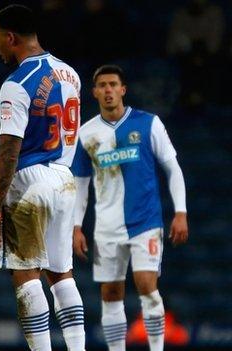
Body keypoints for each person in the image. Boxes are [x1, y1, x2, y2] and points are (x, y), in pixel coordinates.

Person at [0, 5, 85, 351]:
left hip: (30, 179)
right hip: (64, 177)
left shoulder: (16, 84)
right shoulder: (70, 74)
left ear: (10, 37)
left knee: (26, 276)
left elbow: (8, 150)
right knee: (61, 275)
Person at [72, 65, 188, 351]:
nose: (108, 90)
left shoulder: (149, 123)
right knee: (110, 293)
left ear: (123, 89)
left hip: (145, 221)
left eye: (113, 84)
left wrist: (181, 212)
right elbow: (80, 184)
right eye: (102, 85)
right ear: (95, 92)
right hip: (106, 227)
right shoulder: (86, 134)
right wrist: (75, 226)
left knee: (147, 286)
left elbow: (172, 167)